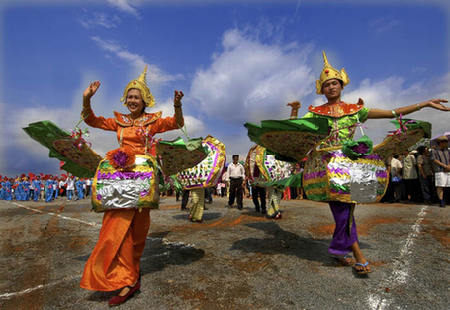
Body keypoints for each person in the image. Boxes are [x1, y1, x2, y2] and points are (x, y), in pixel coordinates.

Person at [300, 51, 448, 275]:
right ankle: (356, 253)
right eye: (327, 84)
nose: (331, 87)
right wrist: (293, 111)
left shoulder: (355, 111)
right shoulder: (316, 113)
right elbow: (296, 131)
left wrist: (423, 104)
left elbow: (392, 113)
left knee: (348, 208)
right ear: (321, 89)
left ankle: (339, 250)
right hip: (328, 167)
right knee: (343, 210)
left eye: (335, 83)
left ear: (342, 85)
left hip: (353, 164)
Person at [79, 66, 184, 306]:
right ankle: (124, 278)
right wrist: (86, 99)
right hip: (119, 180)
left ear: (145, 100)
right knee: (117, 228)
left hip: (143, 179)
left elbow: (177, 124)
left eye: (137, 97)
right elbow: (91, 120)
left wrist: (177, 105)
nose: (132, 100)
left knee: (138, 231)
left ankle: (131, 275)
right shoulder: (119, 121)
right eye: (130, 97)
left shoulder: (152, 122)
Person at [430, 136, 450, 208]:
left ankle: (447, 199)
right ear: (440, 143)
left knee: (448, 185)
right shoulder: (434, 151)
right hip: (440, 170)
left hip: (448, 169)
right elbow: (434, 160)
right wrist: (444, 166)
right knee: (440, 186)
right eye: (445, 142)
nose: (447, 143)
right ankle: (441, 200)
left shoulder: (448, 150)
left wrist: (449, 166)